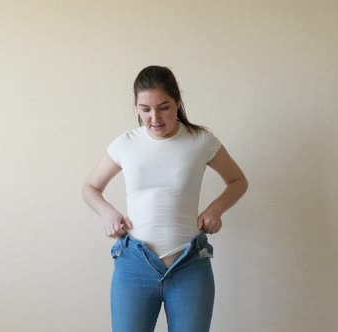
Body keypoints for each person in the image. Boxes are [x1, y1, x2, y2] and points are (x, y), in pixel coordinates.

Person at [82, 65, 248, 332]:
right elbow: (90, 187)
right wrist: (107, 213)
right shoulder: (126, 144)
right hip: (134, 265)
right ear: (136, 107)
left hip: (189, 265)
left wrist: (216, 209)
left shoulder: (200, 141)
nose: (154, 118)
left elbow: (238, 181)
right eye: (145, 109)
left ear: (177, 102)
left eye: (164, 107)